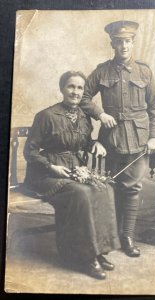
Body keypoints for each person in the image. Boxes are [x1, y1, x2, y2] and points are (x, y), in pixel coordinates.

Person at [23, 70, 120, 280]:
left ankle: (99, 250)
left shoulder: (85, 117)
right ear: (62, 88)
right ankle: (84, 258)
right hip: (46, 175)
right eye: (71, 86)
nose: (75, 92)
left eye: (80, 88)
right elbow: (29, 152)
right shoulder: (46, 116)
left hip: (74, 169)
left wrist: (95, 144)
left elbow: (85, 142)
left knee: (105, 189)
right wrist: (51, 167)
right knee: (82, 194)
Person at [80, 20, 155, 257]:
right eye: (119, 42)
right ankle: (112, 234)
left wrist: (154, 136)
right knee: (112, 185)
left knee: (133, 188)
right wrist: (100, 113)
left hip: (139, 140)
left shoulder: (144, 71)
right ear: (112, 44)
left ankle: (127, 237)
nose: (124, 46)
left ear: (133, 43)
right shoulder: (102, 71)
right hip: (111, 140)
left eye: (128, 41)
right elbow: (84, 98)